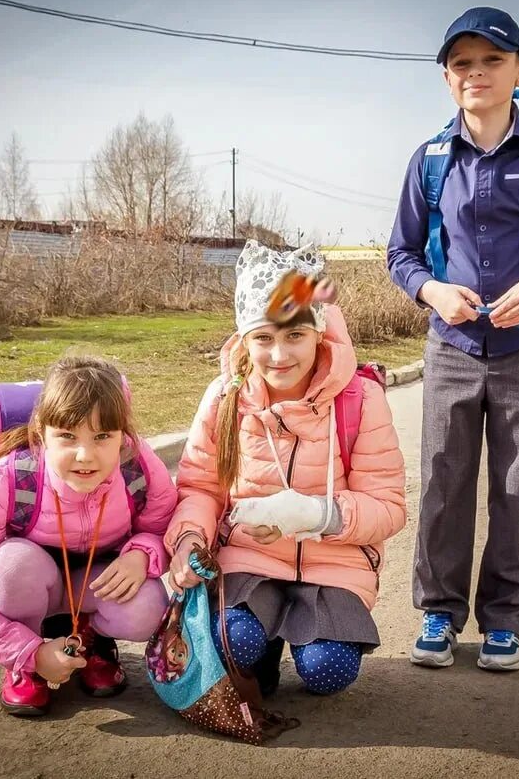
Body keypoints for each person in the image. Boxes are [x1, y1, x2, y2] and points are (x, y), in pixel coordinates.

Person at [386, 7, 519, 672]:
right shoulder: (429, 161)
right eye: (462, 64)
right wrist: (434, 292)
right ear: (448, 80)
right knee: (443, 482)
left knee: (518, 483)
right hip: (449, 347)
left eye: (492, 61)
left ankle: (505, 620)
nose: (476, 74)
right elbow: (400, 253)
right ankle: (439, 614)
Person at [165, 241, 406, 697]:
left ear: (320, 331)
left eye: (294, 335)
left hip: (335, 564)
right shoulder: (225, 398)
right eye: (263, 337)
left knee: (327, 671)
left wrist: (318, 514)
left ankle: (299, 638)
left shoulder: (361, 400)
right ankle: (261, 648)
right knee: (233, 640)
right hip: (248, 560)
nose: (279, 355)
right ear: (243, 340)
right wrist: (190, 540)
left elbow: (388, 508)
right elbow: (200, 487)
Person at [0, 356, 177, 716]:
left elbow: (164, 526)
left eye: (102, 436)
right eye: (66, 435)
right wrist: (29, 653)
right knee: (11, 567)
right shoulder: (12, 478)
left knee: (148, 605)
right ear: (41, 432)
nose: (84, 455)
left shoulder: (138, 467)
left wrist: (141, 553)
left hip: (95, 581)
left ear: (123, 436)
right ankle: (26, 665)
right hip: (32, 583)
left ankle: (93, 644)